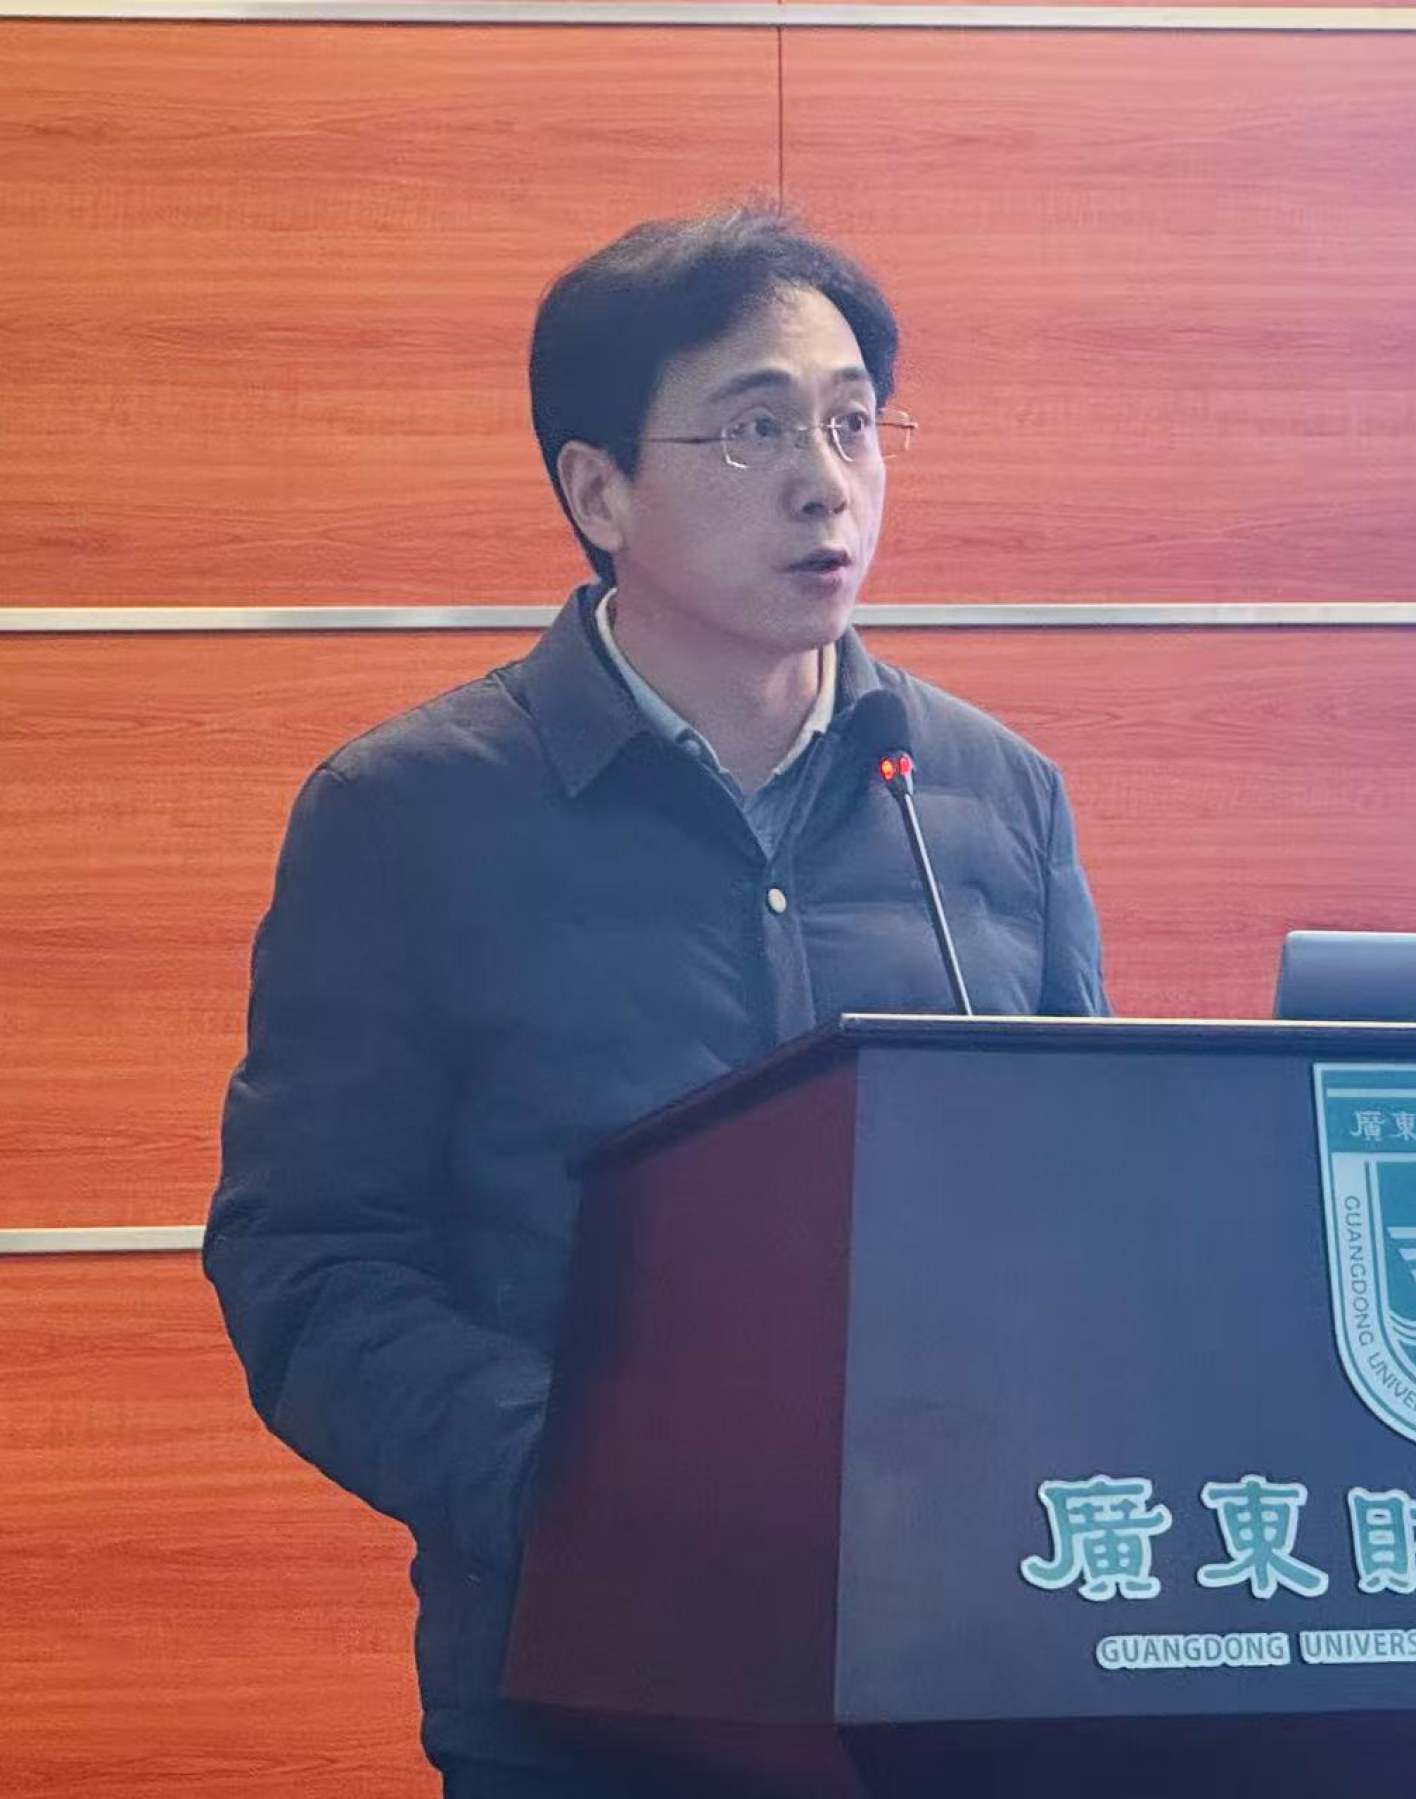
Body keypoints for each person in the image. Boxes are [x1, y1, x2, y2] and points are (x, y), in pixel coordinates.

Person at [202, 206, 1108, 1797]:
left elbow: (1087, 1218)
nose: (827, 482)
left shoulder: (991, 799)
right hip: (583, 1700)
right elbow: (313, 1267)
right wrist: (582, 1480)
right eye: (757, 430)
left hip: (964, 1674)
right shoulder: (408, 819)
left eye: (852, 424)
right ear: (598, 489)